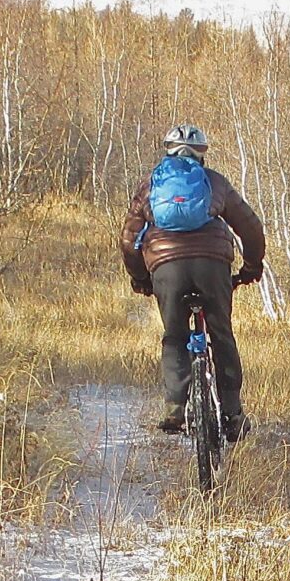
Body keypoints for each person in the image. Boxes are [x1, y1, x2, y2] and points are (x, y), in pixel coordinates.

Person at [119, 123, 264, 442]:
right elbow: (250, 227)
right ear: (202, 155)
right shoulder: (214, 183)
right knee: (221, 334)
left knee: (174, 336)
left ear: (167, 152)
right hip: (212, 265)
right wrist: (252, 266)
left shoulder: (150, 186)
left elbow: (129, 239)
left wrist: (140, 278)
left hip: (166, 267)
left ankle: (175, 407)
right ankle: (232, 413)